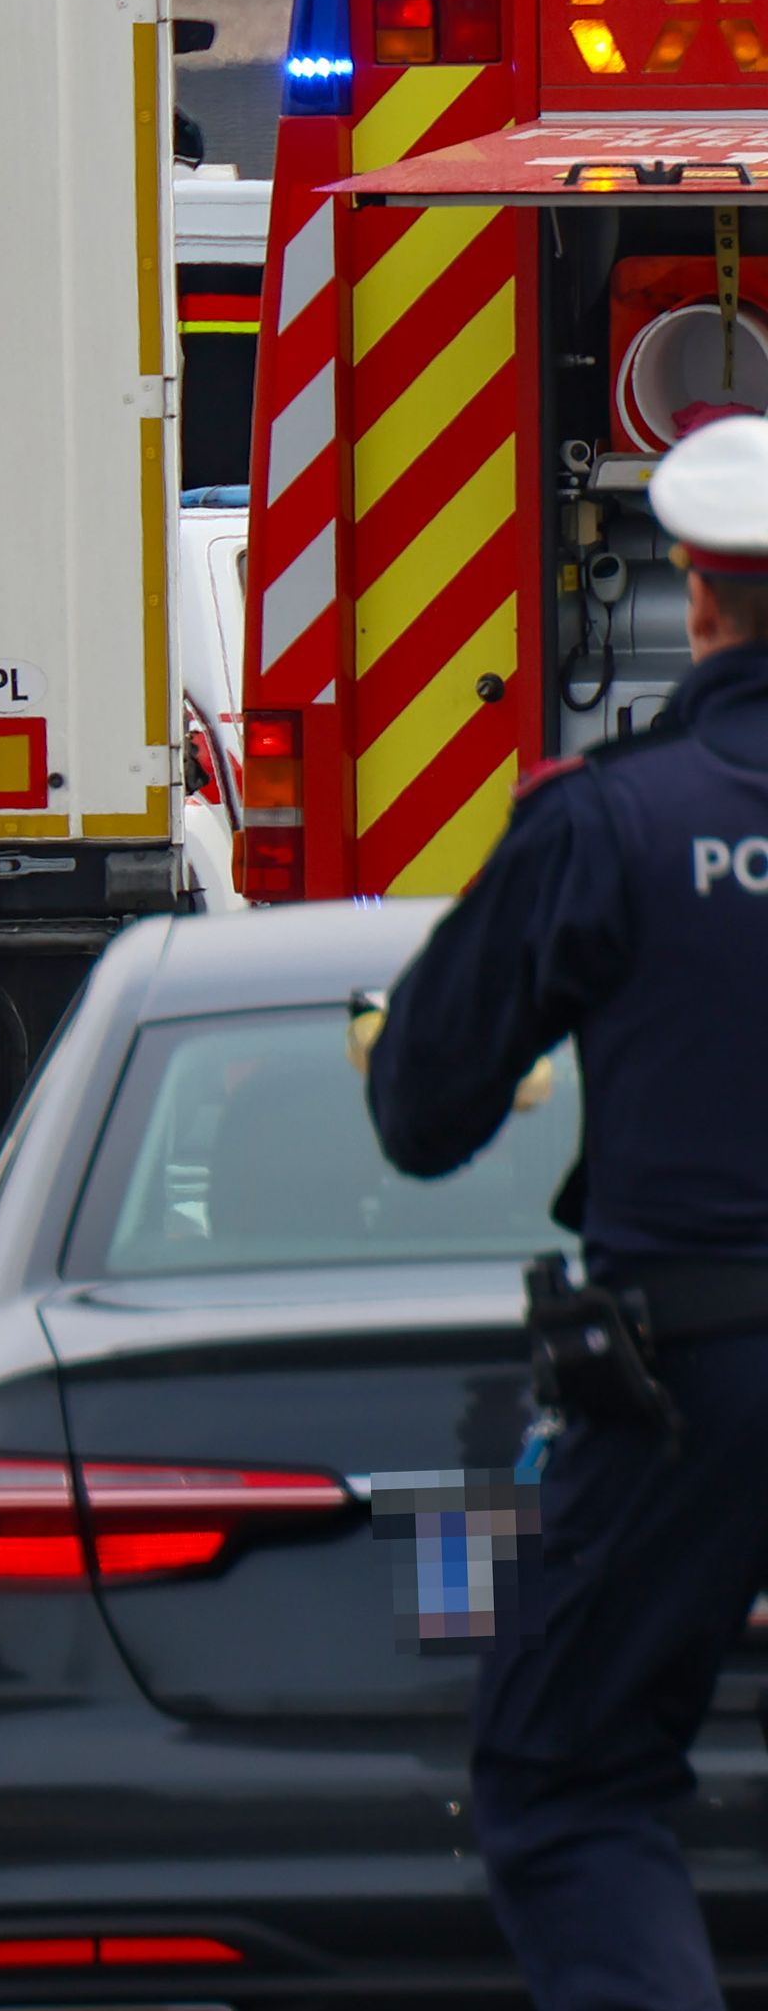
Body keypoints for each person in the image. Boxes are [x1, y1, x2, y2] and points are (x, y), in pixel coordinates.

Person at [369, 411, 768, 2011]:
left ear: (698, 590)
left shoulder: (610, 821)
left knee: (569, 1775)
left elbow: (423, 1107)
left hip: (705, 1378)